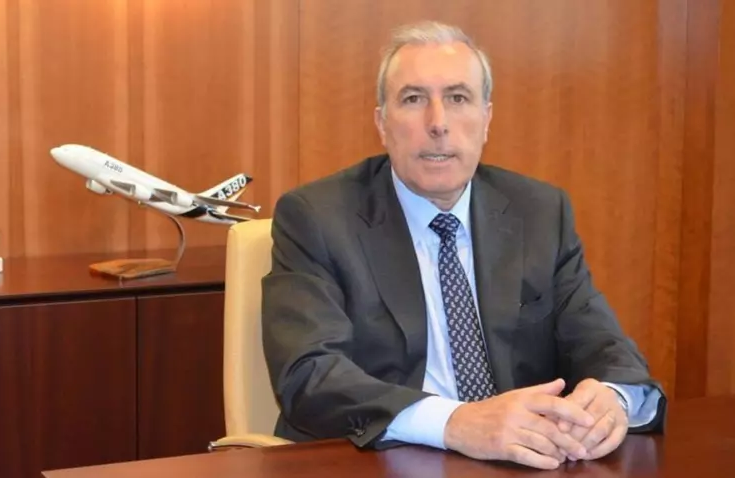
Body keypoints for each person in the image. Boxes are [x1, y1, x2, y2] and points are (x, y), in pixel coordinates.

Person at [260, 20, 665, 470]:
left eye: (457, 98)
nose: (438, 123)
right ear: (382, 123)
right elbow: (309, 375)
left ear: (486, 119)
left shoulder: (539, 213)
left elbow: (601, 341)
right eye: (413, 99)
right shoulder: (316, 218)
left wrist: (612, 397)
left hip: (517, 461)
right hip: (374, 462)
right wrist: (453, 422)